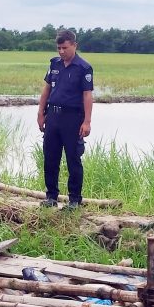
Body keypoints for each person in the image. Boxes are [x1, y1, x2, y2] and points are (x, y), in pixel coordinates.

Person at [37, 29, 93, 209]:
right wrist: (40, 112)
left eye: (65, 48)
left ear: (74, 46)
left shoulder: (84, 67)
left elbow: (87, 95)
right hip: (53, 115)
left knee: (73, 159)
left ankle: (74, 199)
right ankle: (51, 196)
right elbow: (46, 89)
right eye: (59, 48)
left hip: (73, 118)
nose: (61, 52)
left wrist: (87, 121)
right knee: (50, 157)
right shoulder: (54, 64)